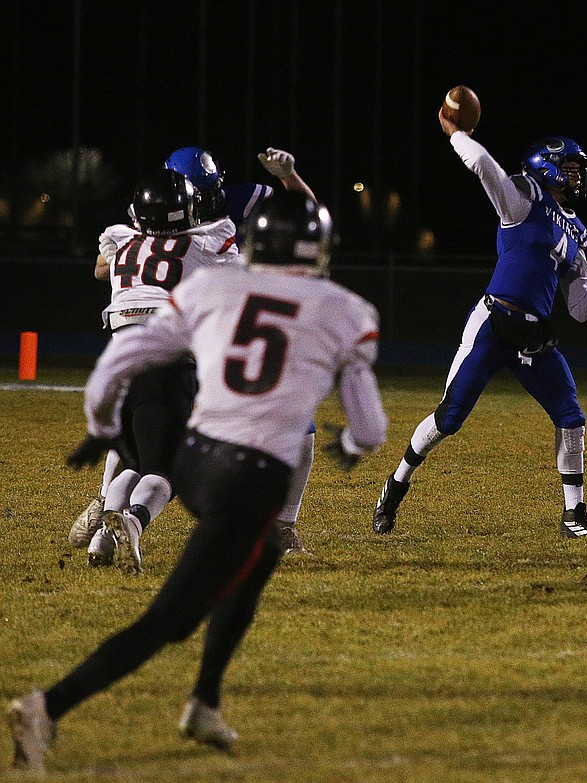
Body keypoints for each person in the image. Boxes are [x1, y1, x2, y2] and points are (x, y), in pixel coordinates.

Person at [7, 192, 386, 773]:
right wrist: (352, 446)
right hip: (250, 481)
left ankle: (204, 701)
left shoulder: (212, 285)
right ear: (319, 248)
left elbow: (124, 354)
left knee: (255, 566)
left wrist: (102, 425)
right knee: (171, 619)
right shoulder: (346, 310)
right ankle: (46, 708)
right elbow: (370, 428)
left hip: (194, 461)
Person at [370, 103, 587, 539]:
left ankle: (574, 514)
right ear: (548, 167)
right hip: (492, 324)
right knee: (450, 418)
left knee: (571, 415)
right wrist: (456, 133)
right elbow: (484, 166)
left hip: (533, 339)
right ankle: (396, 482)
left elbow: (580, 308)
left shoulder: (577, 231)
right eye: (570, 168)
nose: (578, 176)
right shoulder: (522, 199)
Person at [75, 145, 319, 555]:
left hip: (180, 339)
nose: (203, 203)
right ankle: (113, 508)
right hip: (196, 336)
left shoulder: (226, 204)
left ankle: (280, 525)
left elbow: (306, 215)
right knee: (162, 447)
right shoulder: (207, 239)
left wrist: (289, 179)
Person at [68, 168, 244, 574]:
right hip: (164, 367)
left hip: (114, 368)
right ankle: (130, 522)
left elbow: (103, 266)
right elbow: (231, 273)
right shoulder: (202, 246)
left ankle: (102, 537)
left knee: (129, 461)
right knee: (165, 470)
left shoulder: (122, 240)